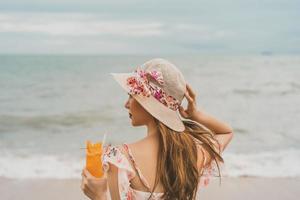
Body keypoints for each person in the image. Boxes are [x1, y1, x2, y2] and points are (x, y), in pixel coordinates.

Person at [81, 58, 233, 200]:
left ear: (147, 102)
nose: (126, 104)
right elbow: (226, 132)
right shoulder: (192, 155)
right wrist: (196, 115)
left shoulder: (119, 159)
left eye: (131, 96)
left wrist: (99, 196)